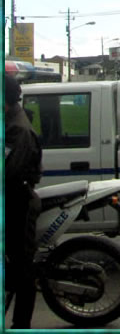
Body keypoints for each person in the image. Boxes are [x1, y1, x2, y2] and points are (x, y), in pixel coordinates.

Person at [5, 74, 43, 329]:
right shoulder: (9, 122)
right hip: (12, 201)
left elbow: (9, 173)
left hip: (18, 204)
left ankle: (21, 325)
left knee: (22, 270)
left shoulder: (17, 129)